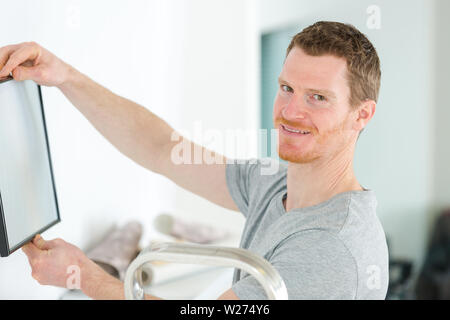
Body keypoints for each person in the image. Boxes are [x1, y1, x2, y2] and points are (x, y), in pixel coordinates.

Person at [0, 21, 388, 300]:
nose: (290, 111)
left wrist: (83, 275)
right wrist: (66, 76)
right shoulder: (276, 182)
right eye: (286, 88)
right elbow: (162, 149)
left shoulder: (331, 248)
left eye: (317, 97)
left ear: (362, 115)